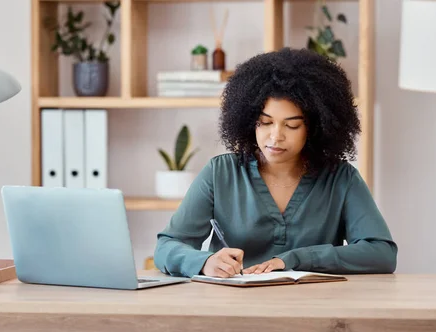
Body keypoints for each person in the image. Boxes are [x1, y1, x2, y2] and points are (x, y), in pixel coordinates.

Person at [153, 47, 397, 278]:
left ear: (314, 128)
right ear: (249, 120)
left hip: (315, 309)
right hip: (234, 308)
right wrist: (204, 262)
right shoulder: (221, 173)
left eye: (291, 125)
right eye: (265, 122)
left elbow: (381, 254)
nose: (275, 136)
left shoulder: (340, 179)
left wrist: (296, 259)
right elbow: (167, 246)